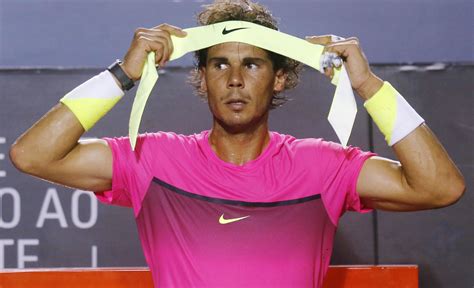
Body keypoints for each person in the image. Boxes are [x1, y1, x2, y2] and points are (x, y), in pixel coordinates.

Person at [9, 0, 465, 287]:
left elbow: (440, 187)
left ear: (280, 77)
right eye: (219, 65)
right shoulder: (153, 158)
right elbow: (31, 155)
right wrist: (124, 74)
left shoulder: (322, 167)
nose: (233, 80)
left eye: (252, 65)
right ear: (202, 79)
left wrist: (369, 87)